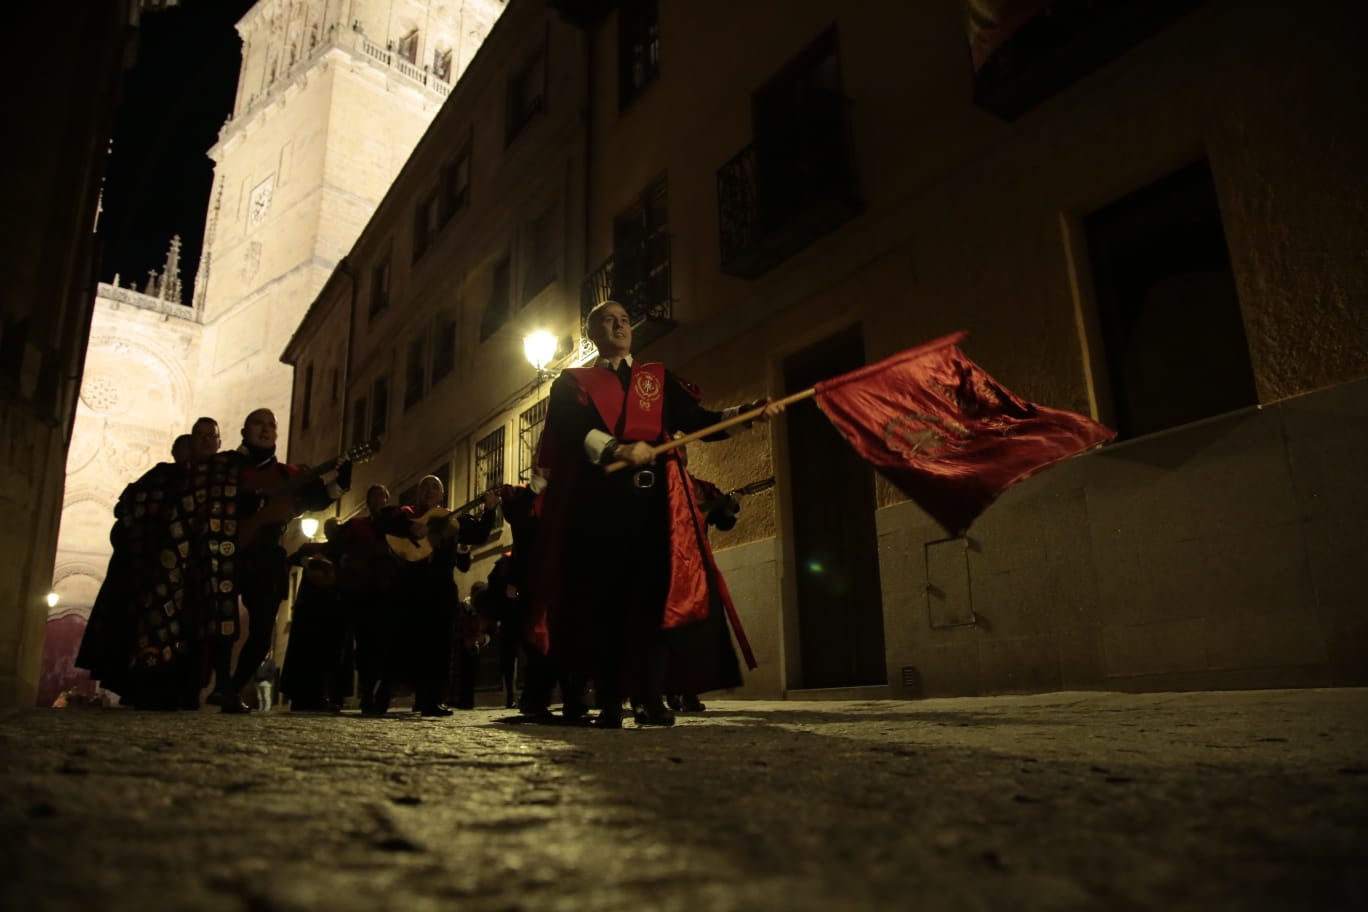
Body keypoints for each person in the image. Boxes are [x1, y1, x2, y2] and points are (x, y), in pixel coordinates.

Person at [533, 300, 781, 729]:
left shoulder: (657, 379)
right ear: (593, 333)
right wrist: (616, 447)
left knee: (654, 598)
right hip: (597, 506)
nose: (620, 326)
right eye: (608, 321)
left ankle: (651, 697)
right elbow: (569, 428)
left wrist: (745, 414)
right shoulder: (572, 383)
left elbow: (698, 420)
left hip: (654, 507)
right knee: (605, 603)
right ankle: (610, 700)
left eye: (625, 320)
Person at [207, 408, 351, 713]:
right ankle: (220, 683)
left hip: (268, 555)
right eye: (258, 423)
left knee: (262, 629)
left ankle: (233, 689)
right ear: (245, 430)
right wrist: (235, 500)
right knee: (220, 621)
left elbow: (320, 498)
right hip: (226, 548)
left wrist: (342, 481)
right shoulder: (224, 465)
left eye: (271, 425)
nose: (266, 429)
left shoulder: (290, 474)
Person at [75, 424, 220, 710]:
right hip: (158, 571)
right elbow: (130, 509)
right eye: (196, 437)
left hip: (198, 572)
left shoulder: (220, 478)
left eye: (210, 436)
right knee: (154, 628)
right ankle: (148, 687)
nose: (202, 443)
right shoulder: (162, 477)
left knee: (194, 631)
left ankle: (186, 689)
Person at [374, 477, 495, 717]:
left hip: (441, 590)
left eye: (435, 487)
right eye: (424, 487)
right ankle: (382, 695)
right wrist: (410, 527)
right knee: (400, 643)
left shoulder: (453, 520)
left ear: (443, 495)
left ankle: (430, 699)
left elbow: (479, 534)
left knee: (438, 646)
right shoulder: (404, 513)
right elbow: (382, 524)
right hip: (409, 588)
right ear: (417, 494)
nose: (429, 490)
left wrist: (490, 509)